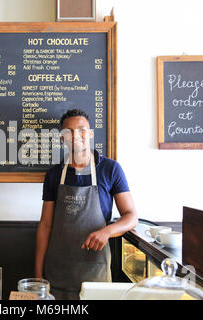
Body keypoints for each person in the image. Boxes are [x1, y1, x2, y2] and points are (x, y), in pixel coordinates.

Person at [35, 109, 138, 300]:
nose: (75, 136)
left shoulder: (110, 169)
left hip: (95, 273)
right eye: (69, 132)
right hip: (57, 272)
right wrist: (38, 275)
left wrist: (107, 231)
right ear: (62, 138)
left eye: (81, 130)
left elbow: (131, 216)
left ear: (90, 134)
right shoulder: (54, 174)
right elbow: (45, 225)